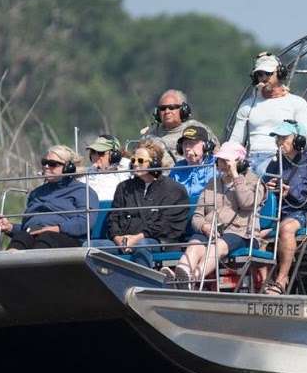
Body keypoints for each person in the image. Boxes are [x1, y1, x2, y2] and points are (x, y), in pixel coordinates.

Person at [164, 141, 265, 290]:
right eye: (220, 160)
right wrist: (204, 226)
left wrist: (237, 176)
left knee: (218, 247)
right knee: (194, 245)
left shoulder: (255, 182)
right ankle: (182, 275)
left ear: (240, 162)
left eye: (226, 160)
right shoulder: (212, 183)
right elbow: (197, 215)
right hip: (211, 231)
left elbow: (246, 203)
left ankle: (192, 280)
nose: (221, 163)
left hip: (242, 233)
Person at [261, 120, 307, 295]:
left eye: (284, 138)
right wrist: (266, 187)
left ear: (298, 140)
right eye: (277, 138)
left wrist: (293, 190)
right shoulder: (274, 163)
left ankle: (281, 281)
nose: (280, 142)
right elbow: (261, 188)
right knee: (255, 233)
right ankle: (264, 284)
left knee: (286, 229)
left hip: (306, 214)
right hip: (279, 214)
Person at [94, 137, 190, 267]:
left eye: (140, 161)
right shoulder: (124, 187)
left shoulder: (174, 189)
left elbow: (164, 225)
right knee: (89, 246)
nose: (135, 164)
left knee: (142, 245)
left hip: (156, 241)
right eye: (133, 160)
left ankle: (140, 283)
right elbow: (113, 218)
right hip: (123, 241)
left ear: (154, 163)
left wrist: (137, 238)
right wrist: (118, 238)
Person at [0, 145, 99, 250]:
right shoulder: (36, 193)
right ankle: (9, 264)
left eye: (52, 164)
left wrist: (56, 228)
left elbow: (85, 221)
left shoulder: (82, 191)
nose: (46, 167)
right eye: (44, 163)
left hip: (64, 238)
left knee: (46, 237)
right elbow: (28, 227)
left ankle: (35, 264)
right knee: (21, 237)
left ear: (67, 167)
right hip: (33, 234)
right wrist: (10, 227)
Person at [230, 52, 307, 175]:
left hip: (279, 157)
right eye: (259, 74)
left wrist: (290, 144)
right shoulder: (247, 105)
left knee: (262, 172)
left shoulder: (297, 103)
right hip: (250, 158)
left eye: (268, 73)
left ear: (280, 73)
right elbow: (235, 141)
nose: (263, 77)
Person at [142, 89, 216, 160]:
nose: (167, 111)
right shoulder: (150, 135)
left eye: (172, 107)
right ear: (157, 113)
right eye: (163, 108)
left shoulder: (198, 129)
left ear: (183, 110)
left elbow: (216, 154)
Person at [169, 124, 215, 203]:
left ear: (206, 146)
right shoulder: (178, 168)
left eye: (191, 143)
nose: (187, 148)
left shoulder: (216, 165)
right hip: (181, 210)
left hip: (206, 209)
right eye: (185, 144)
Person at [83, 134, 125, 201]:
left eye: (101, 153)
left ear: (114, 155)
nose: (96, 157)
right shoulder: (86, 175)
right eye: (93, 152)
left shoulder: (127, 173)